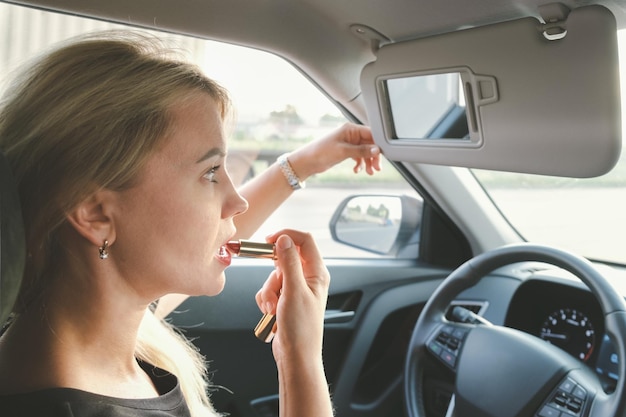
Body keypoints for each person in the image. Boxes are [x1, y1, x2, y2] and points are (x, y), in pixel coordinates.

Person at [0, 31, 381, 417]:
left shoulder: (83, 326)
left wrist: (304, 164)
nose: (237, 202)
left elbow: (184, 235)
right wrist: (300, 358)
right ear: (94, 214)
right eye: (211, 172)